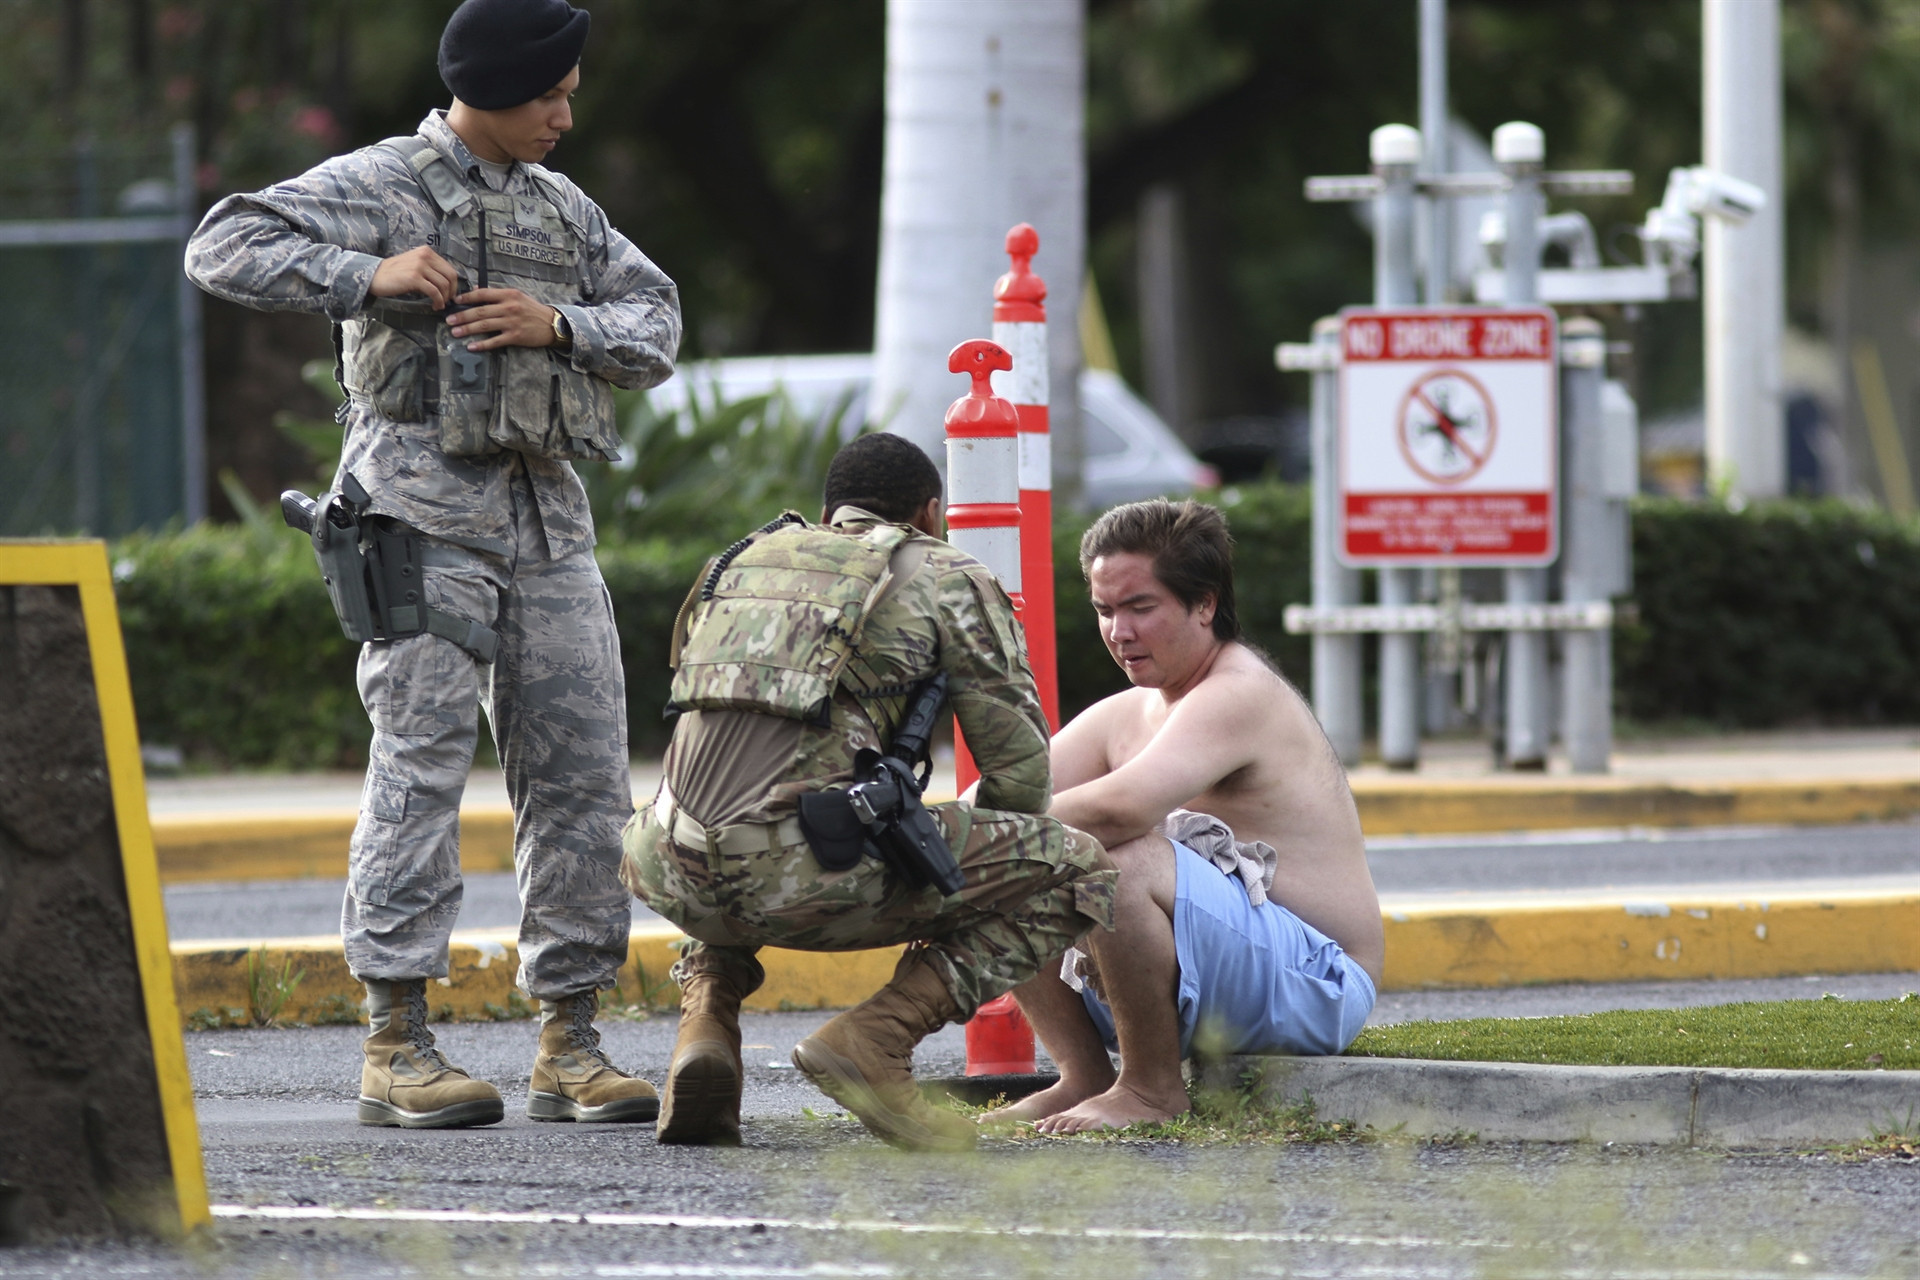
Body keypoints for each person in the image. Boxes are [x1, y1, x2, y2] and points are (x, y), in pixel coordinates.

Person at [185, 0, 681, 1129]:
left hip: (550, 524)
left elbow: (656, 317)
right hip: (417, 520)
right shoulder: (383, 181)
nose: (566, 112)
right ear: (490, 90)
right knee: (420, 769)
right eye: (547, 94)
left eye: (570, 91)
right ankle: (396, 1042)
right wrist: (368, 277)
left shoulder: (567, 205)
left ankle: (572, 1039)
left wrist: (561, 324)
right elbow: (222, 243)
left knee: (583, 780)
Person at [622, 432, 1117, 1152]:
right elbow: (1020, 777)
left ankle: (706, 1026)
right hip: (802, 874)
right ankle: (877, 1038)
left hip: (663, 861)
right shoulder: (945, 574)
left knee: (735, 815)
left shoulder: (737, 561)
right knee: (1078, 867)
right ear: (930, 512)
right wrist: (962, 878)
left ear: (830, 516)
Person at [992, 498, 1384, 1135]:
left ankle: (1150, 1089)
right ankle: (1085, 1076)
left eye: (1141, 607)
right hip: (1226, 975)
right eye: (1105, 610)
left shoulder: (1239, 691)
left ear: (1204, 604)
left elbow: (1123, 809)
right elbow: (999, 795)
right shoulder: (1129, 712)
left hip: (1318, 981)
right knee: (1007, 852)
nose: (1120, 631)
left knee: (1113, 851)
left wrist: (975, 840)